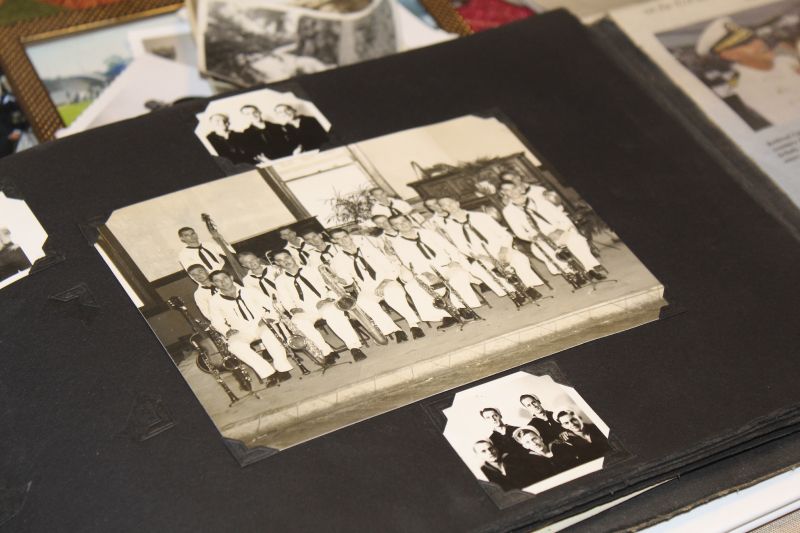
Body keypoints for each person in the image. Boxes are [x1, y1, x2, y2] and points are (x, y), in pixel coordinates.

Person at [328, 227, 428, 341]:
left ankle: (413, 325)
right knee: (363, 302)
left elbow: (389, 267)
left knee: (392, 292)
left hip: (386, 280)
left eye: (345, 237)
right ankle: (395, 330)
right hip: (366, 287)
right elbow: (348, 281)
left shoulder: (369, 249)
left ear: (350, 236)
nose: (344, 241)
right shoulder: (337, 260)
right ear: (334, 241)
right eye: (338, 239)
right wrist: (338, 280)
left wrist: (384, 283)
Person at [695, 17, 800, 126]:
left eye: (753, 38)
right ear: (730, 55)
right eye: (746, 44)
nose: (759, 44)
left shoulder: (785, 61)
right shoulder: (741, 87)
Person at [438, 196, 545, 301]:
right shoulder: (449, 226)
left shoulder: (481, 216)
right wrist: (482, 256)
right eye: (445, 206)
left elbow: (504, 234)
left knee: (519, 259)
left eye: (451, 203)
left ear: (457, 203)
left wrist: (504, 249)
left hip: (500, 249)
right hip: (481, 255)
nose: (450, 206)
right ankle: (512, 292)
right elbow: (461, 247)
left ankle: (527, 287)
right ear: (443, 209)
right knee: (478, 269)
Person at [272, 250, 367, 364]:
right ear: (277, 264)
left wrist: (328, 299)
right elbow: (285, 299)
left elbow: (332, 286)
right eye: (280, 260)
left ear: (292, 256)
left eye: (286, 257)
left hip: (324, 302)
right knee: (298, 322)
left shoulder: (312, 269)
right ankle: (327, 352)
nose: (285, 261)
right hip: (304, 309)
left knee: (332, 312)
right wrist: (293, 309)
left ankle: (354, 347)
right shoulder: (280, 280)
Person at [500, 182, 605, 280]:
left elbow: (562, 218)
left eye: (513, 187)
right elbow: (519, 232)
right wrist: (535, 237)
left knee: (575, 240)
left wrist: (560, 230)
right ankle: (572, 273)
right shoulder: (508, 211)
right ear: (504, 193)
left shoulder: (539, 200)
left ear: (519, 188)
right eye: (507, 190)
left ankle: (589, 269)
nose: (512, 191)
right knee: (542, 250)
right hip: (539, 237)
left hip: (559, 230)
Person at [207, 270, 294, 387]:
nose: (222, 282)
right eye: (217, 281)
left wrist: (269, 318)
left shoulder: (249, 291)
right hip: (240, 330)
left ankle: (283, 369)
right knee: (235, 346)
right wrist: (226, 331)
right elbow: (217, 321)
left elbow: (270, 305)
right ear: (213, 284)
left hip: (261, 323)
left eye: (225, 278)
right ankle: (269, 373)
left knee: (269, 334)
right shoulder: (214, 301)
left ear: (231, 277)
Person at [388, 215, 483, 314]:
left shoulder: (428, 233)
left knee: (459, 274)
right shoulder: (398, 243)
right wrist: (427, 274)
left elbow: (450, 248)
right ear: (394, 228)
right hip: (425, 272)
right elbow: (408, 263)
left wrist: (454, 261)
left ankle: (461, 307)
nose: (402, 224)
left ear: (409, 221)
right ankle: (444, 316)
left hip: (446, 266)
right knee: (413, 287)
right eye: (397, 224)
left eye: (404, 221)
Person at [508, 426, 580, 487]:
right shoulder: (531, 464)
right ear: (525, 446)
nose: (533, 443)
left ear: (540, 438)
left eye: (534, 439)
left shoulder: (560, 447)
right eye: (528, 442)